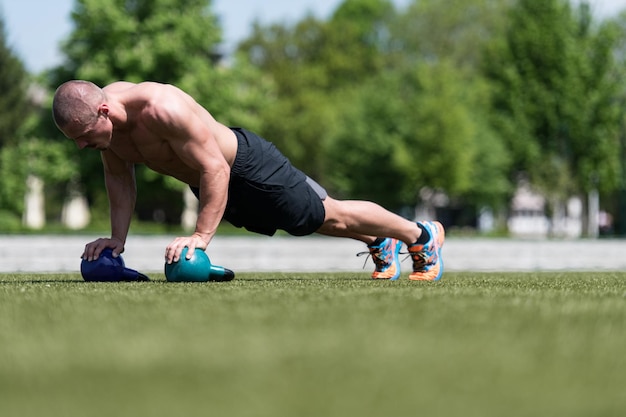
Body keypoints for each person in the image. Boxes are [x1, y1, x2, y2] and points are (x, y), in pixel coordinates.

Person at [52, 80, 445, 281]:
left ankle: (421, 235)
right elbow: (120, 183)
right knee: (307, 222)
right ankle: (379, 240)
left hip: (243, 165)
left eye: (84, 135)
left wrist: (200, 238)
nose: (82, 146)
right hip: (210, 179)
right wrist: (117, 240)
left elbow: (216, 169)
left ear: (104, 110)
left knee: (327, 214)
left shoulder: (160, 109)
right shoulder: (108, 135)